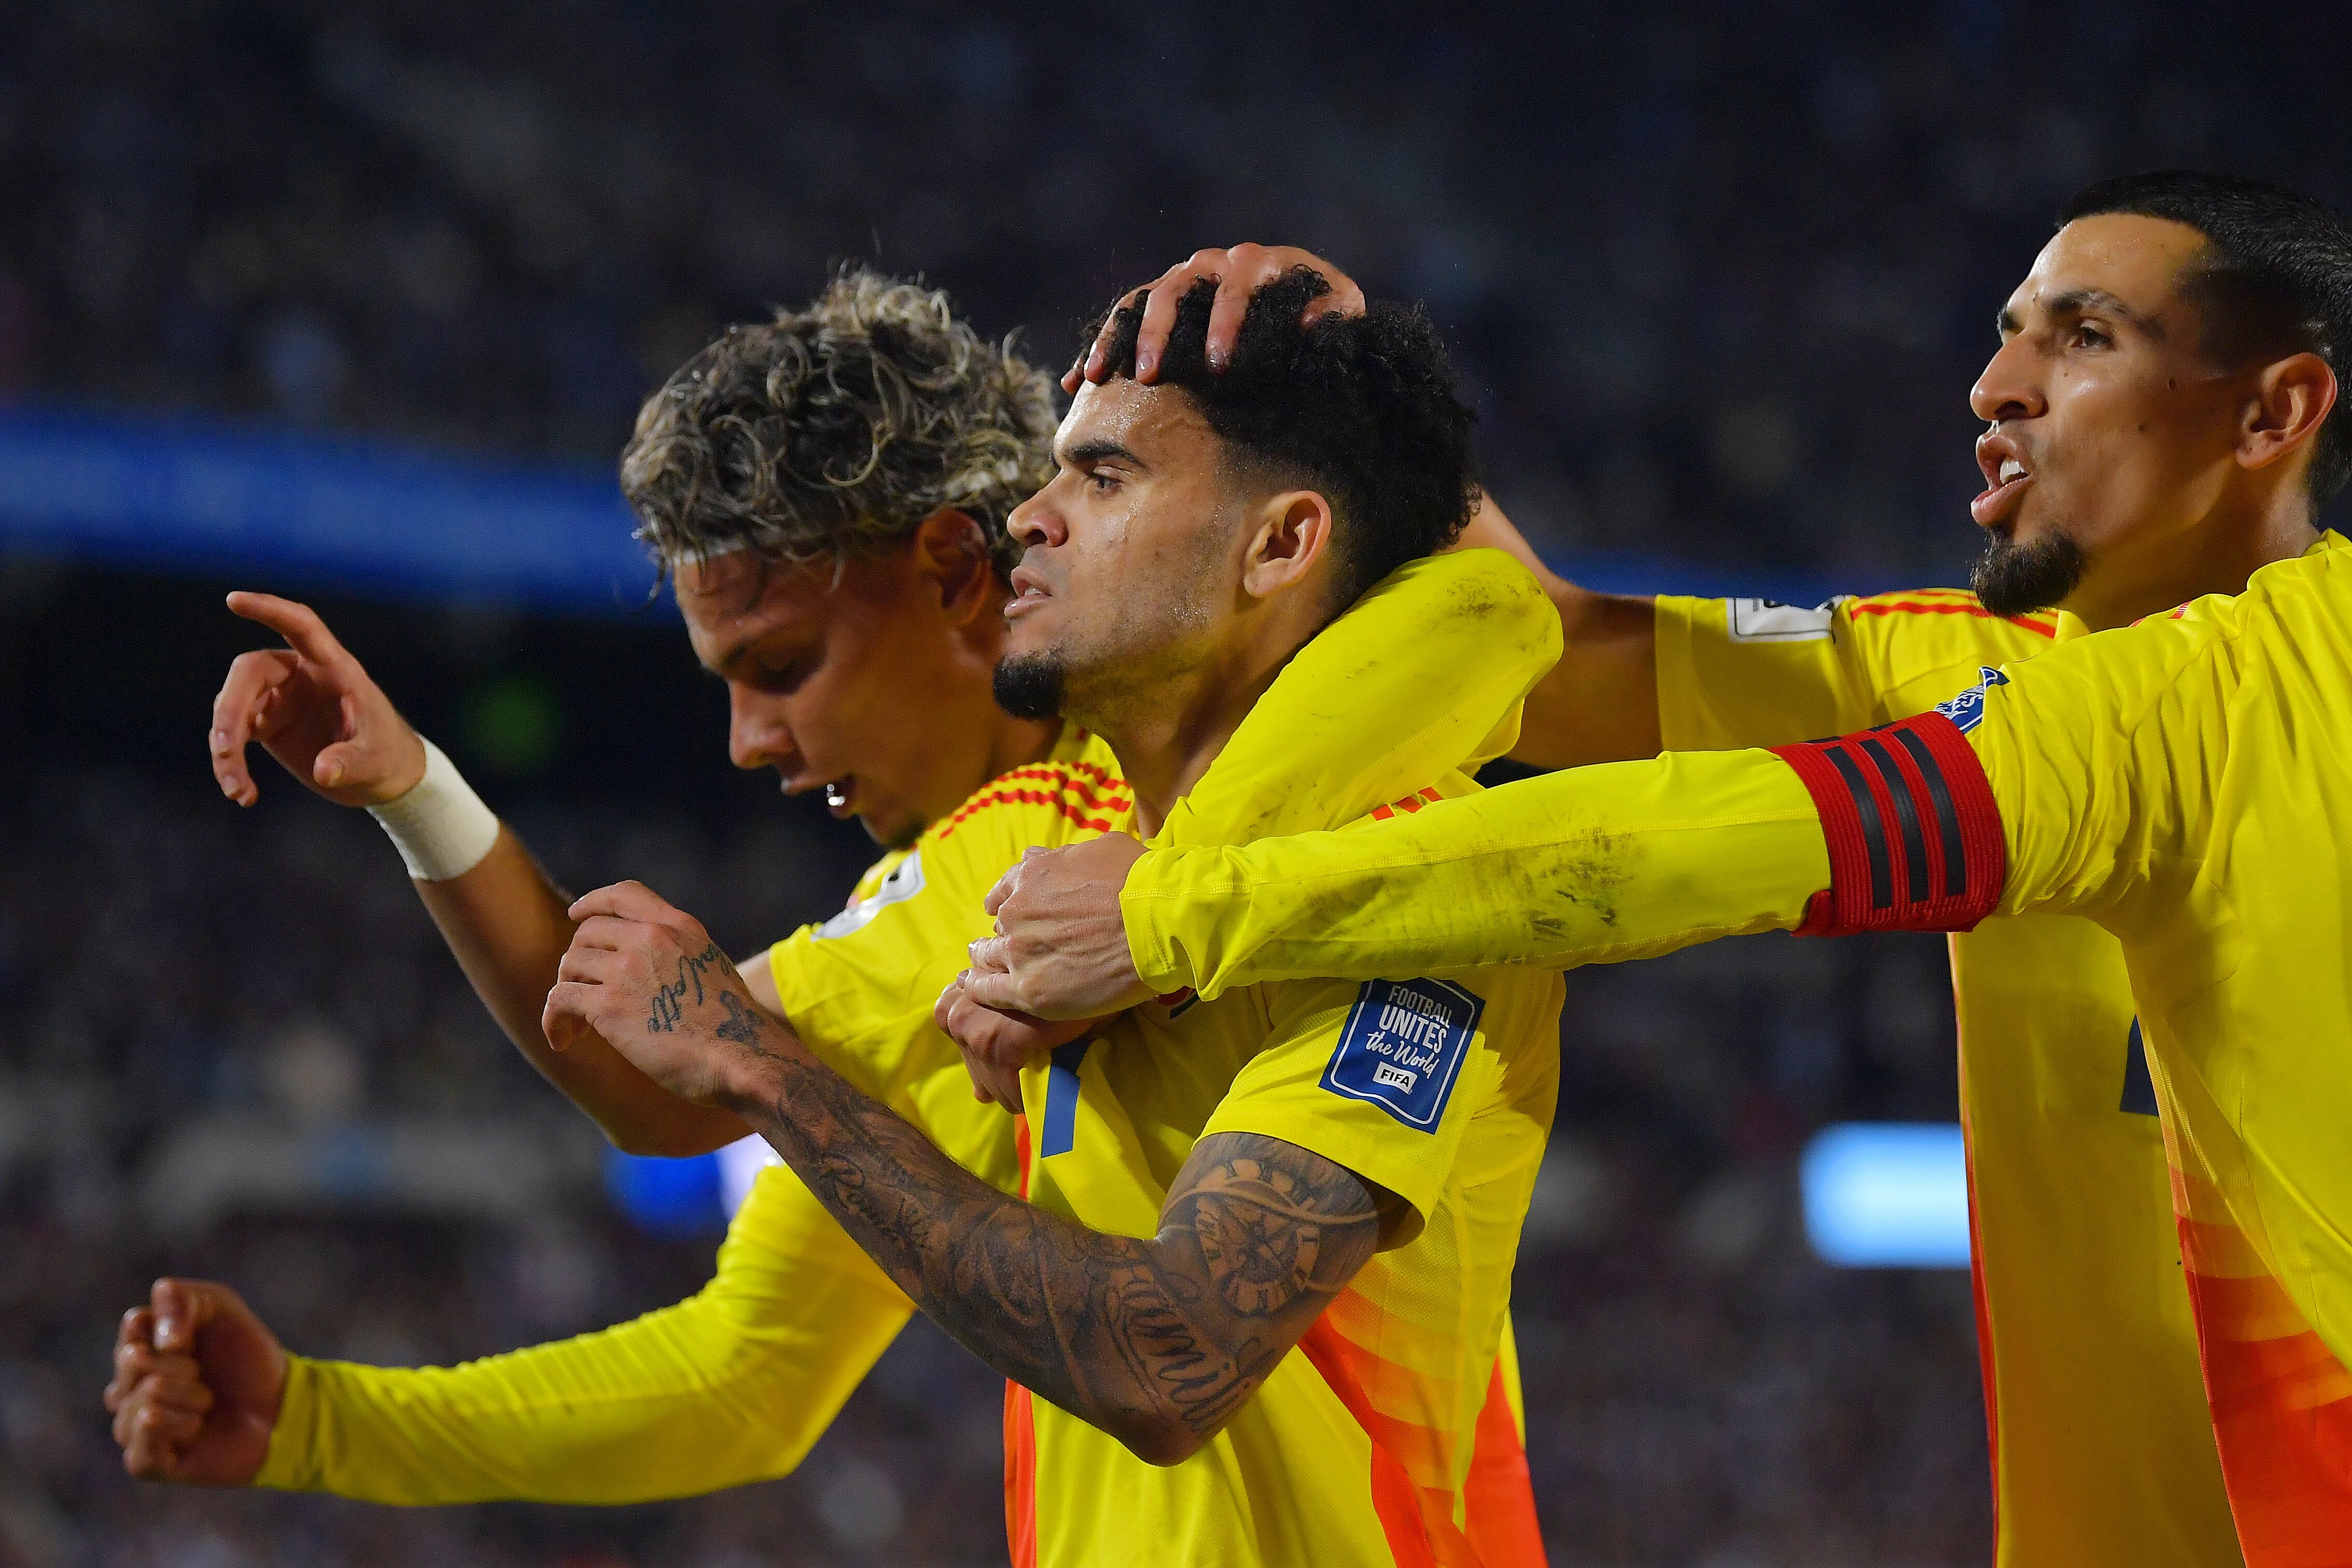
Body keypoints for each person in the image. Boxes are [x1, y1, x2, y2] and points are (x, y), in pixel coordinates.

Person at [967, 176, 2352, 1568]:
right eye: (2009, 333)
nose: (1997, 384)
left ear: (2274, 412)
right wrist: (1345, 379)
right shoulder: (1978, 673)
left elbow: (1679, 847)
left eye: (2086, 337)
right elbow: (1567, 651)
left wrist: (1171, 914)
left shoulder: (2261, 690)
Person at [102, 268, 1561, 1564]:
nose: (748, 740)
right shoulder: (1043, 860)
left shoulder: (1064, 834)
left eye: (781, 662)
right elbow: (747, 1379)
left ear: (951, 571)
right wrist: (317, 1422)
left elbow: (649, 1076)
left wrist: (420, 796)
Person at [539, 270, 1567, 1566]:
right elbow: (644, 1085)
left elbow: (1171, 1356)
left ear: (1280, 542)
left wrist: (769, 1076)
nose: (1027, 517)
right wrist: (416, 796)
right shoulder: (1037, 850)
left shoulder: (1405, 886)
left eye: (1102, 480)